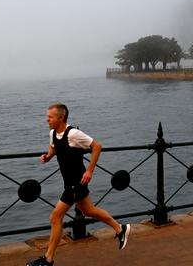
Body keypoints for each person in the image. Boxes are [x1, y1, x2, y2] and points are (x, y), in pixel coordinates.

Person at [26, 103, 130, 266]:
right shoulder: (53, 133)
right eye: (47, 117)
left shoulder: (73, 134)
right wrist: (47, 157)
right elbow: (54, 149)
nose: (47, 120)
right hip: (69, 182)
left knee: (55, 217)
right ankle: (120, 229)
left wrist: (89, 171)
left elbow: (97, 146)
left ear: (61, 117)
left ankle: (48, 259)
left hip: (76, 183)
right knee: (89, 211)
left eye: (50, 117)